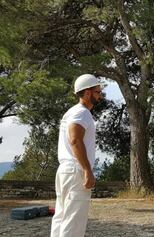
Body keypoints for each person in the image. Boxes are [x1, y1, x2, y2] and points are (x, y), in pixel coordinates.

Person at [51, 74, 102, 237]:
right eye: (97, 91)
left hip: (65, 171)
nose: (100, 95)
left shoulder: (72, 112)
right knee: (73, 223)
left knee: (61, 217)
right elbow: (75, 140)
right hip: (75, 172)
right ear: (87, 93)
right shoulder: (82, 113)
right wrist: (87, 170)